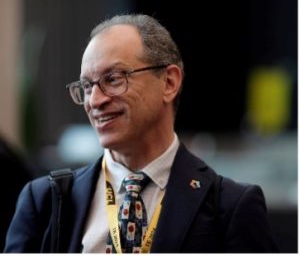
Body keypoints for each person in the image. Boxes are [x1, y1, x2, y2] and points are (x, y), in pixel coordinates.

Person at [4, 14, 278, 253]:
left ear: (169, 82)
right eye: (87, 86)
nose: (96, 100)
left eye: (113, 79)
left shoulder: (229, 208)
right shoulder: (45, 202)